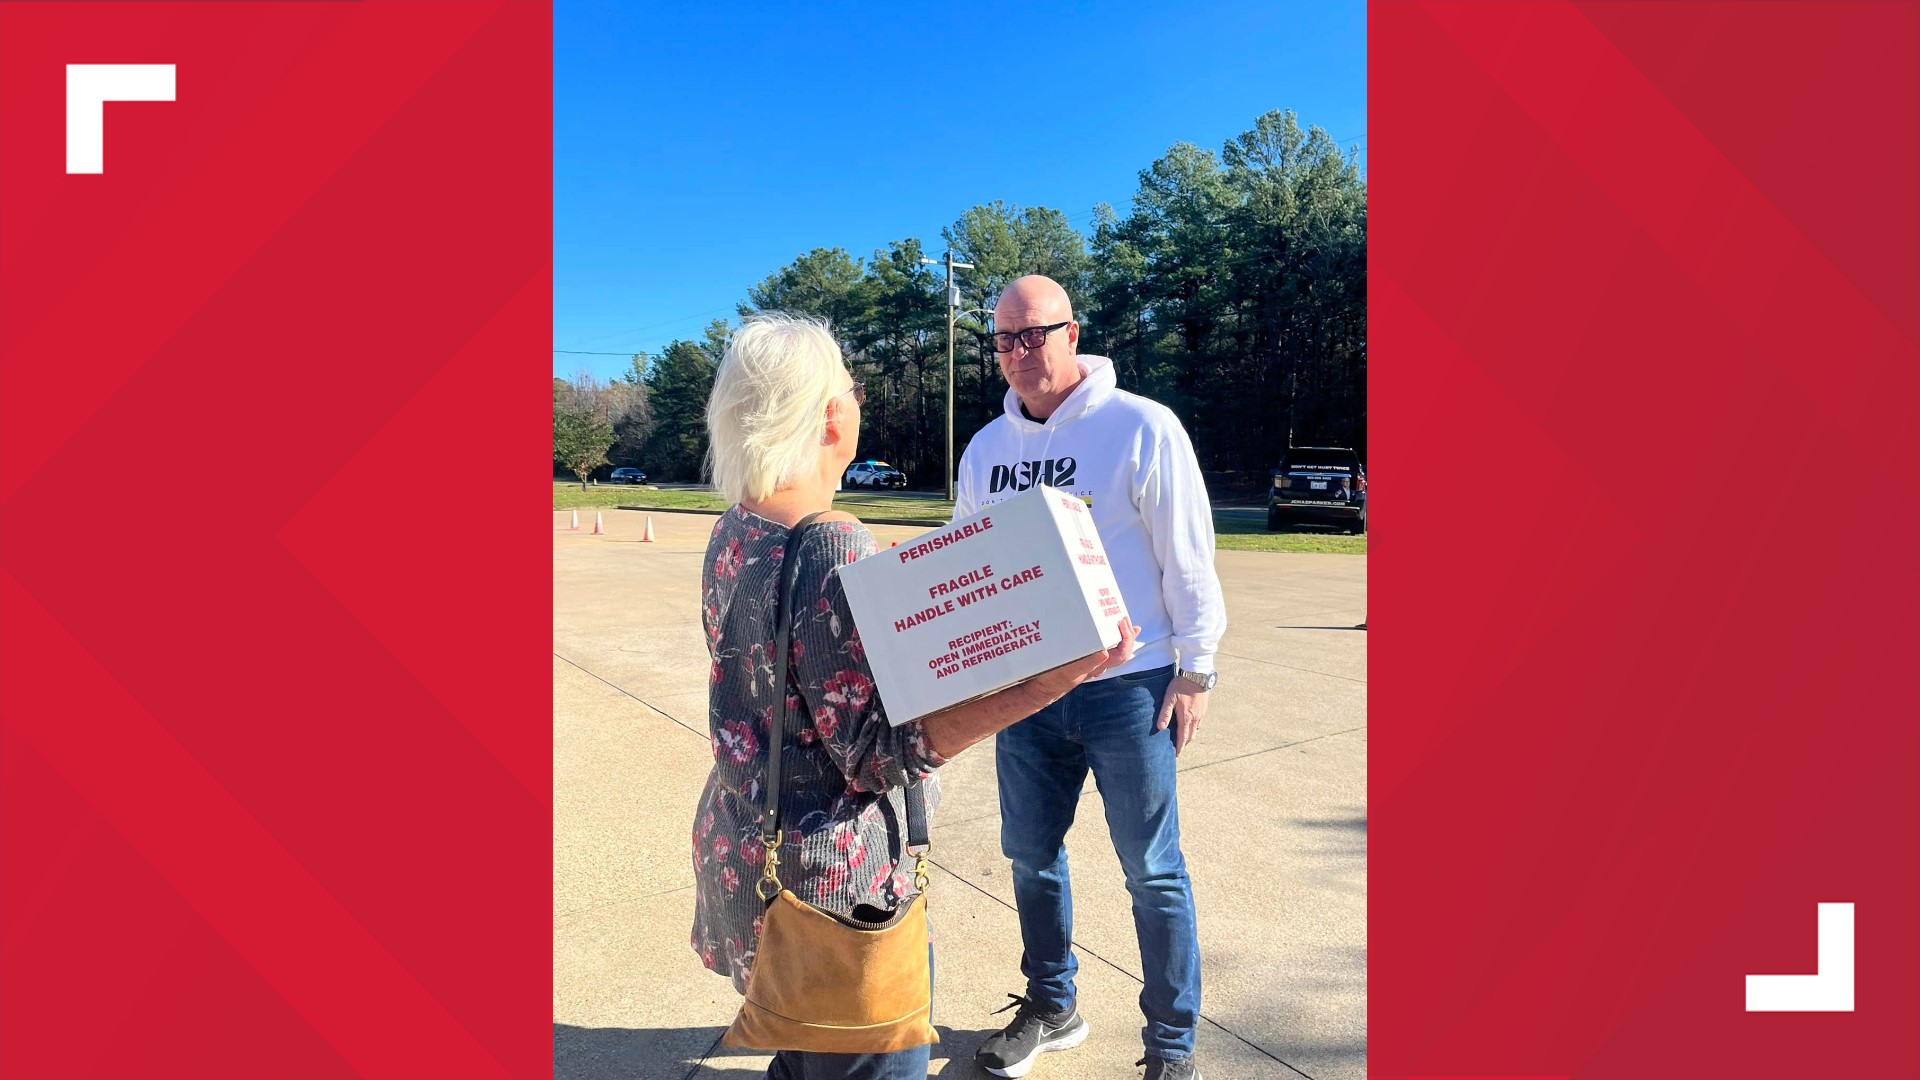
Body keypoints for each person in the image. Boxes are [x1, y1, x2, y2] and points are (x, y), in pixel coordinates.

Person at [692, 312, 1137, 1080]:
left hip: (752, 855)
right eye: (853, 387)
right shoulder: (830, 541)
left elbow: (786, 671)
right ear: (831, 413)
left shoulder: (738, 527)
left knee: (802, 1055)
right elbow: (875, 754)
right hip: (837, 893)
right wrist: (1049, 679)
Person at [955, 276, 1227, 1080]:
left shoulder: (1140, 428)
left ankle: (1170, 1047)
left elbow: (1189, 554)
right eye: (1004, 339)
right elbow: (968, 565)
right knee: (1030, 856)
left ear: (1074, 333)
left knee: (1152, 870)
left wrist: (1197, 668)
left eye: (1034, 334)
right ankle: (1051, 1004)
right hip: (1027, 693)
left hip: (1129, 688)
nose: (1019, 353)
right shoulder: (986, 449)